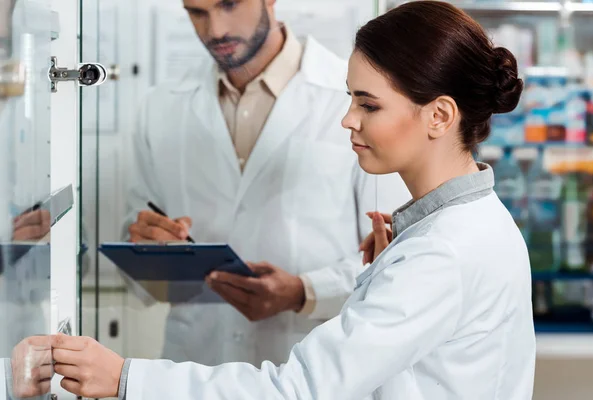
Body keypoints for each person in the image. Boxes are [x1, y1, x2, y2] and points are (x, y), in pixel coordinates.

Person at [53, 1, 536, 399]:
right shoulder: (451, 230)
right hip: (202, 349)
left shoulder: (441, 250)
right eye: (350, 99)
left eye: (367, 105)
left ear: (439, 116)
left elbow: (304, 386)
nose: (347, 119)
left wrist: (125, 379)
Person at [122, 0, 407, 366]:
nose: (215, 30)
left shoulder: (355, 99)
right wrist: (147, 247)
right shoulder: (160, 107)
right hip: (196, 364)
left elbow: (395, 257)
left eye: (229, 4)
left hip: (312, 364)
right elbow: (137, 230)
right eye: (197, 12)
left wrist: (304, 292)